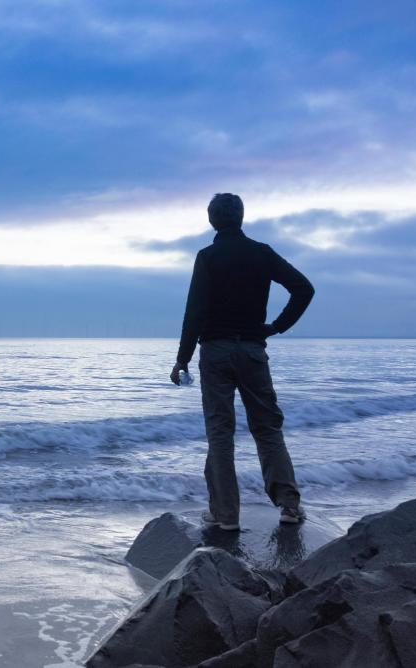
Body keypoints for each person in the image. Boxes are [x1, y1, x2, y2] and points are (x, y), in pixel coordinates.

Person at [170, 193, 314, 531]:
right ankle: (289, 506)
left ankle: (225, 515)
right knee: (267, 429)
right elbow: (303, 288)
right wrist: (277, 326)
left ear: (212, 220)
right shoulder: (261, 253)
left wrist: (182, 360)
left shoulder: (207, 257)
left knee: (220, 433)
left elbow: (195, 312)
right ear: (242, 217)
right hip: (252, 351)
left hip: (216, 351)